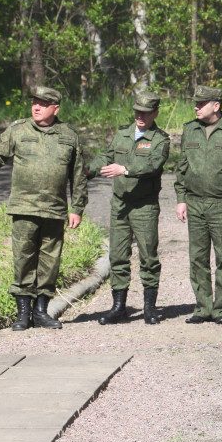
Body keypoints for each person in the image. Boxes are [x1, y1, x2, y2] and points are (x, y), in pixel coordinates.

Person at [0, 85, 87, 331]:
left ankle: (41, 311)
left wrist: (77, 207)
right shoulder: (18, 130)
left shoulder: (69, 135)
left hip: (54, 209)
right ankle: (23, 313)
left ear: (56, 108)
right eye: (34, 102)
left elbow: (79, 174)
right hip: (24, 206)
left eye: (42, 103)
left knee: (50, 261)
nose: (36, 107)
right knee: (23, 259)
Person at [174, 85, 222, 324]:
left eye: (201, 104)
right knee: (197, 257)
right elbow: (182, 168)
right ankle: (202, 307)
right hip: (195, 202)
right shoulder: (190, 130)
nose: (196, 108)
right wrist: (181, 199)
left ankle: (221, 308)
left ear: (216, 106)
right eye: (195, 104)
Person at [89, 91, 170, 325]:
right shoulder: (122, 134)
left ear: (155, 113)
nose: (140, 116)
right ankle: (119, 307)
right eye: (137, 111)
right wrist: (89, 170)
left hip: (144, 206)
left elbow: (152, 165)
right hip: (121, 203)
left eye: (145, 112)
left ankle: (149, 307)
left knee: (148, 256)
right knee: (118, 254)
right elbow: (106, 156)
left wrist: (123, 169)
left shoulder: (160, 140)